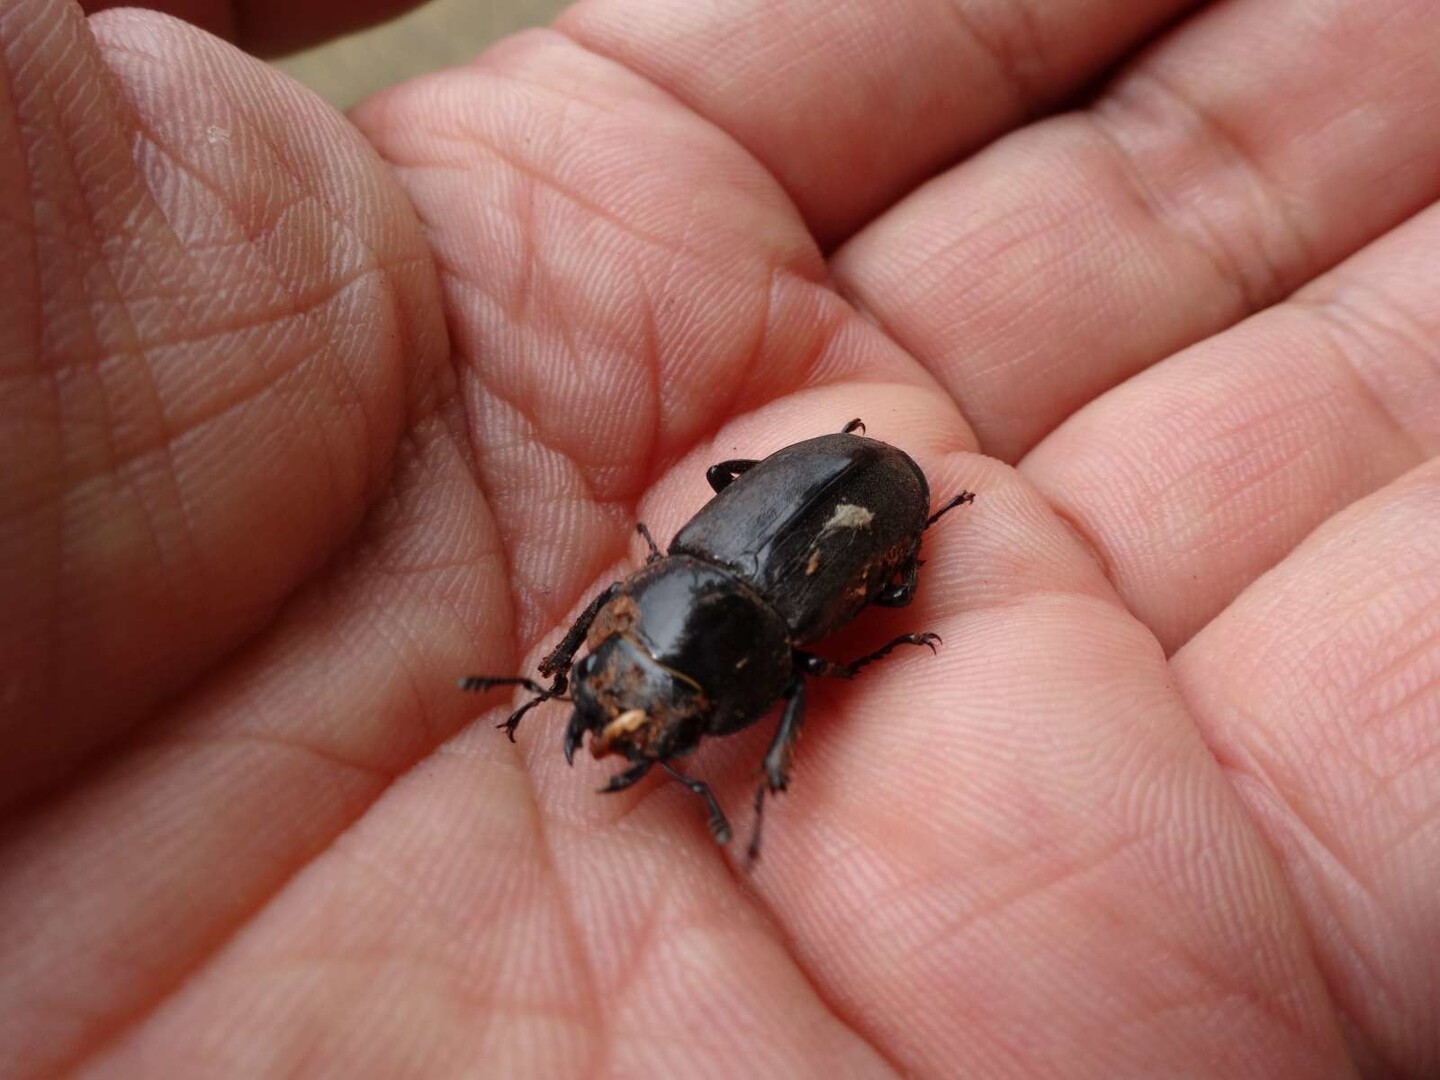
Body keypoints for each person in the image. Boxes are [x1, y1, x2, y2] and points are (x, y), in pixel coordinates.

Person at [2, 0, 1436, 1074]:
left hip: (827, 512)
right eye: (640, 702)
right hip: (787, 523)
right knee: (827, 635)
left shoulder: (763, 629)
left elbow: (792, 663)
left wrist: (861, 590)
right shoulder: (703, 610)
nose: (626, 721)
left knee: (842, 643)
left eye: (617, 690)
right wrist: (576, 677)